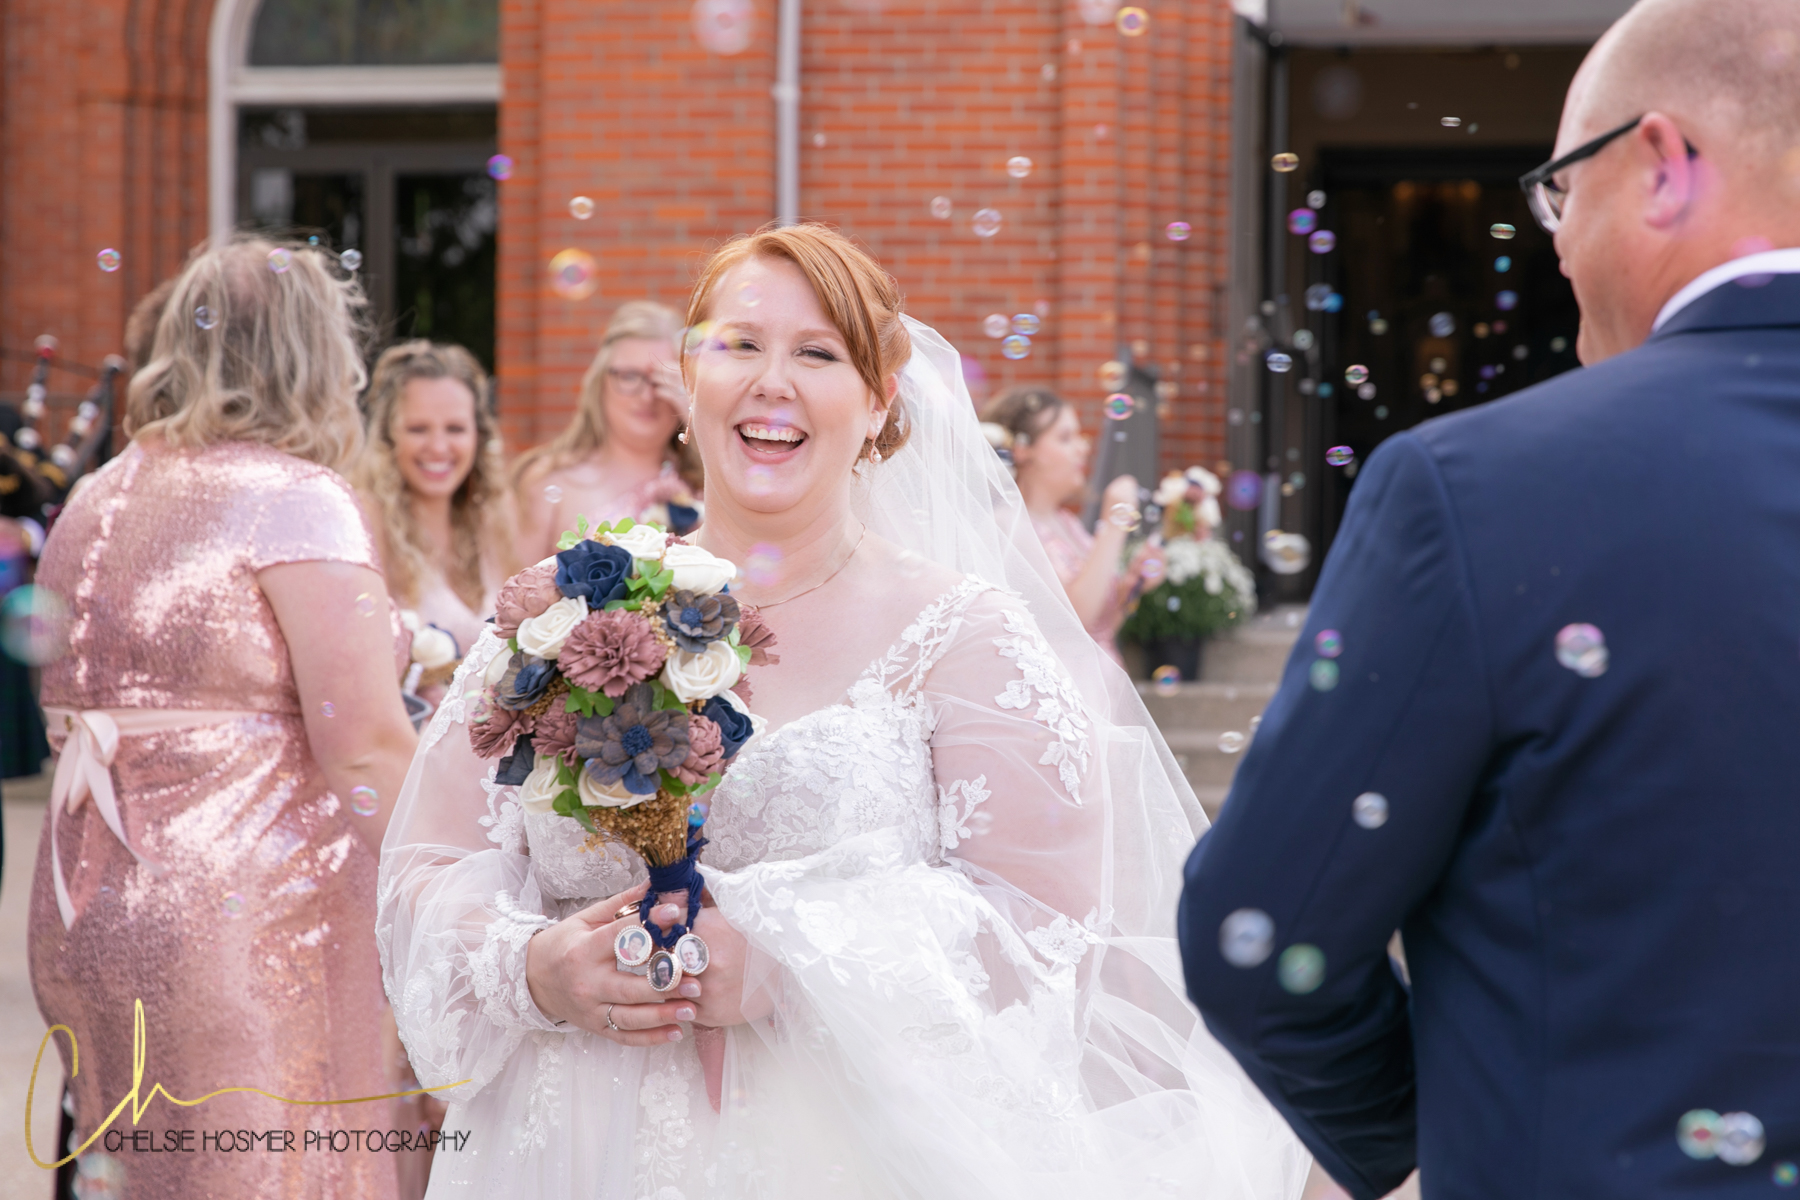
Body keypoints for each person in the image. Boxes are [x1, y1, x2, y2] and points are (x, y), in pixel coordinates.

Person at [378, 224, 1308, 1198]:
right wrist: (537, 967)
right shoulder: (565, 612)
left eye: (817, 354)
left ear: (878, 405)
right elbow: (423, 873)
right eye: (740, 345)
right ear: (688, 383)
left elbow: (1047, 928)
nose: (772, 381)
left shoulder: (966, 636)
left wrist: (787, 964)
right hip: (565, 1145)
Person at [1177, 1, 1800, 1197]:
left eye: (1562, 191)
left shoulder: (1477, 489)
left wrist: (1428, 1135)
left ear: (1663, 165)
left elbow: (1261, 936)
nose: (1555, 247)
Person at [28, 236, 417, 1199]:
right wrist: (477, 882)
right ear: (314, 353)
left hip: (86, 909)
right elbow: (366, 746)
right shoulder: (296, 500)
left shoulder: (95, 494)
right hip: (248, 926)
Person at [355, 339, 518, 677]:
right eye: (418, 429)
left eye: (455, 428)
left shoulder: (493, 520)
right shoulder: (366, 521)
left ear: (478, 435)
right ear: (389, 435)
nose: (438, 447)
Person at [512, 300, 701, 559]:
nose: (646, 396)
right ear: (601, 381)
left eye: (663, 380)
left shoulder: (710, 485)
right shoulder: (547, 479)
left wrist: (697, 419)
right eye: (630, 376)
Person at [980, 388, 1149, 664]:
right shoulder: (1008, 525)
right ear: (1022, 450)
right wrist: (1114, 524)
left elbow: (1102, 629)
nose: (1083, 448)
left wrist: (1131, 587)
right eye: (1066, 437)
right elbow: (1075, 622)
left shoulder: (1067, 522)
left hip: (1102, 675)